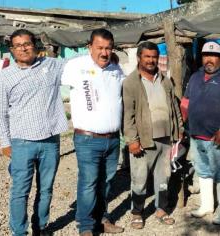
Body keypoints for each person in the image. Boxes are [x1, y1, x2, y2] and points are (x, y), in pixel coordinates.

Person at [0, 29, 68, 236]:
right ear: (12, 50)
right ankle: (19, 232)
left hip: (50, 140)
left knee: (46, 189)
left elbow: (79, 63)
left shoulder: (51, 65)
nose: (23, 48)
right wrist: (4, 142)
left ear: (35, 45)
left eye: (27, 43)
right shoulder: (5, 77)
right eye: (18, 45)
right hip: (21, 142)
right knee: (20, 191)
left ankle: (40, 227)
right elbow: (0, 112)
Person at [61, 29, 125, 235]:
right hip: (87, 139)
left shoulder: (116, 69)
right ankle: (86, 226)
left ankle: (101, 219)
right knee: (89, 182)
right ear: (89, 47)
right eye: (100, 48)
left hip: (113, 139)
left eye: (108, 48)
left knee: (106, 182)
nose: (104, 52)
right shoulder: (75, 66)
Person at [122, 41, 184, 229]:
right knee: (139, 179)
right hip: (143, 140)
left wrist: (179, 128)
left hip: (166, 139)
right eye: (147, 56)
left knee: (163, 177)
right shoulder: (131, 83)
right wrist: (132, 140)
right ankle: (137, 212)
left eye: (154, 57)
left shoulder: (164, 80)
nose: (151, 60)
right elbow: (128, 114)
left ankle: (161, 209)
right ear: (139, 58)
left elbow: (175, 106)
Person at [180, 41, 220, 225]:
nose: (209, 59)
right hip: (196, 135)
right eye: (206, 55)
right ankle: (206, 205)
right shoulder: (195, 77)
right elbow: (185, 102)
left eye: (213, 56)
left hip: (218, 137)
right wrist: (183, 125)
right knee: (203, 171)